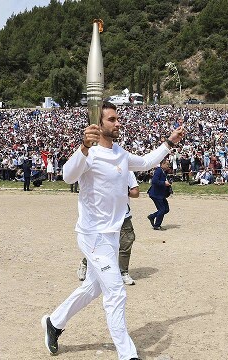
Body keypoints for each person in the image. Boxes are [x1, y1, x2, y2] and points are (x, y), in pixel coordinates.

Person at [41, 102, 185, 360]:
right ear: (99, 124)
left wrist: (169, 142)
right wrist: (83, 147)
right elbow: (66, 176)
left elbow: (145, 162)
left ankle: (54, 322)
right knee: (116, 292)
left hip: (112, 235)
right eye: (112, 119)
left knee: (93, 288)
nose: (118, 123)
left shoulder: (120, 153)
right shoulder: (89, 154)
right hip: (92, 235)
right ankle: (127, 355)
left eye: (118, 119)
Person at [77, 171, 139, 285]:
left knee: (126, 242)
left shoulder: (128, 171)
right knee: (99, 243)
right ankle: (85, 263)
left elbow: (136, 192)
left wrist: (125, 191)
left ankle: (123, 272)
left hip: (123, 215)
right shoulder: (102, 167)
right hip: (104, 215)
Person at [147, 158, 172, 230]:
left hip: (161, 194)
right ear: (162, 164)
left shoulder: (163, 171)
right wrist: (164, 183)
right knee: (162, 209)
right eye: (167, 164)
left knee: (166, 209)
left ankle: (152, 216)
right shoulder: (158, 170)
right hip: (156, 194)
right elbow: (154, 181)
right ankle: (157, 225)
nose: (168, 166)